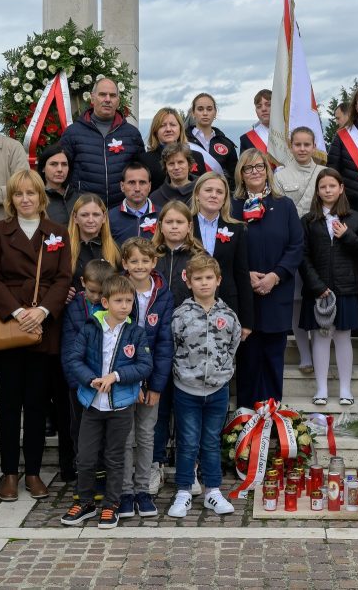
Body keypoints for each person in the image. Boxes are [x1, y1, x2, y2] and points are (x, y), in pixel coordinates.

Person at [0, 170, 74, 500]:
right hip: (10, 324)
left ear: (41, 197)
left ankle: (33, 472)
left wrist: (43, 311)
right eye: (19, 194)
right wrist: (19, 313)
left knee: (36, 403)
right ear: (11, 199)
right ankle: (10, 473)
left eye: (31, 193)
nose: (25, 199)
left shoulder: (57, 232)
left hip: (44, 327)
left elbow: (63, 277)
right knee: (10, 403)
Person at [60, 275, 153, 529]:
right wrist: (90, 379)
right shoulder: (90, 328)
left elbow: (145, 365)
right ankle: (85, 502)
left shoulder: (136, 333)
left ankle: (111, 504)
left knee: (114, 457)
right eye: (119, 301)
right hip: (92, 405)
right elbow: (74, 359)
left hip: (120, 407)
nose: (124, 306)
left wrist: (116, 376)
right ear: (105, 302)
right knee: (86, 457)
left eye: (129, 301)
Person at [167, 255, 242, 518]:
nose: (204, 283)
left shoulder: (228, 316)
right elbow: (172, 346)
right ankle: (184, 491)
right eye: (198, 278)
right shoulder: (180, 315)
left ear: (218, 280)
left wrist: (222, 372)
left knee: (211, 441)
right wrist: (183, 372)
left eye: (209, 277)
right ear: (188, 282)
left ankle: (213, 490)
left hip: (217, 390)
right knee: (187, 442)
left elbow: (233, 345)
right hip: (186, 389)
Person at [231, 149, 304, 408]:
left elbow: (296, 245)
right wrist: (245, 275)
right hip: (245, 295)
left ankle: (273, 418)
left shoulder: (284, 205)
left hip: (277, 293)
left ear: (267, 171)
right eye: (248, 168)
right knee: (248, 360)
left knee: (273, 359)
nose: (255, 172)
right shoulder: (231, 206)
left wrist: (275, 275)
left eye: (259, 167)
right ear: (241, 173)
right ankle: (245, 420)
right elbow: (227, 247)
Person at [299, 169, 358, 406]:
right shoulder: (308, 221)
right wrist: (317, 286)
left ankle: (345, 389)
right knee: (320, 337)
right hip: (318, 289)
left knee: (342, 337)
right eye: (323, 187)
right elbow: (302, 256)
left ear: (341, 188)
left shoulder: (355, 218)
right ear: (317, 191)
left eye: (332, 186)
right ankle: (321, 389)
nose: (327, 190)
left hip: (346, 288)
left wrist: (348, 236)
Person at [149, 201, 205, 493]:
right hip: (156, 343)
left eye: (179, 222)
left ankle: (189, 467)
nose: (174, 227)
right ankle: (155, 464)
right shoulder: (150, 257)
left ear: (189, 226)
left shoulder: (199, 257)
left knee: (187, 410)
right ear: (160, 226)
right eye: (168, 222)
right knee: (157, 408)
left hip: (189, 345)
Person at [116, 238, 173, 520]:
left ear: (154, 262)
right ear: (125, 263)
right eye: (134, 261)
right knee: (125, 435)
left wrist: (156, 385)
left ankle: (142, 490)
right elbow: (115, 340)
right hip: (124, 377)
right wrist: (133, 382)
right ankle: (125, 491)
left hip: (152, 378)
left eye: (145, 261)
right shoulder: (118, 290)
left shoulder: (163, 294)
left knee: (146, 434)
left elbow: (164, 343)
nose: (140, 266)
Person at [61, 259, 118, 500]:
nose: (95, 297)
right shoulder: (74, 307)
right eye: (92, 291)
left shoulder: (113, 307)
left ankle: (102, 477)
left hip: (106, 384)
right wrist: (79, 381)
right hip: (81, 384)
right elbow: (69, 350)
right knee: (81, 432)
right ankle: (84, 477)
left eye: (101, 293)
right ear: (83, 282)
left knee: (104, 433)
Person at [274, 126, 326, 372]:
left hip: (320, 246)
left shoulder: (325, 173)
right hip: (293, 246)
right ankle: (304, 354)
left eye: (307, 144)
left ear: (314, 146)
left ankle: (319, 351)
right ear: (290, 146)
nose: (302, 149)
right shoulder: (280, 176)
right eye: (298, 144)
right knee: (296, 301)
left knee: (319, 297)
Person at [59, 78, 146, 208]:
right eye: (102, 94)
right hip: (85, 210)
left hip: (122, 209)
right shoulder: (73, 133)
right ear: (92, 98)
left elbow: (141, 171)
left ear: (118, 101)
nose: (107, 99)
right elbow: (62, 170)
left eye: (112, 95)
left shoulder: (132, 134)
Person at [191, 172, 254, 334]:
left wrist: (246, 321)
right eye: (208, 190)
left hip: (227, 306)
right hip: (190, 307)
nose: (214, 195)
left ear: (225, 198)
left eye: (219, 192)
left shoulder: (237, 229)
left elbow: (242, 274)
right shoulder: (185, 225)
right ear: (197, 194)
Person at [68, 193, 121, 291]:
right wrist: (62, 290)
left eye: (96, 215)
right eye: (84, 215)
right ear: (75, 218)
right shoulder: (64, 250)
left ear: (104, 217)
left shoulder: (115, 250)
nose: (90, 220)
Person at [141, 108, 205, 185]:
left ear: (180, 129)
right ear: (155, 131)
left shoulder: (197, 157)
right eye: (162, 125)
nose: (168, 129)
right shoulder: (144, 161)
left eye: (173, 125)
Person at [186, 93, 238, 187]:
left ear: (215, 113)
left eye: (209, 109)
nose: (205, 113)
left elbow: (234, 178)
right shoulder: (183, 141)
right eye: (200, 109)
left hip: (219, 193)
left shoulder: (227, 144)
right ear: (193, 113)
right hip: (190, 193)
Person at [108, 162, 158, 244]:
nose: (137, 188)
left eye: (142, 182)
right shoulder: (110, 218)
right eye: (131, 182)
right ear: (122, 186)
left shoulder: (163, 216)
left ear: (149, 186)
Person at [37, 143, 77, 226]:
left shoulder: (78, 197)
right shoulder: (37, 198)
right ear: (43, 168)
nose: (60, 169)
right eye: (53, 164)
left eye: (64, 164)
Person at [149, 142, 197, 208]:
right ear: (166, 167)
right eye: (171, 164)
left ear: (189, 164)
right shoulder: (155, 197)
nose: (176, 167)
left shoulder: (202, 189)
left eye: (180, 162)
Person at [238, 89, 272, 156]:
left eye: (268, 105)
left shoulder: (289, 133)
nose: (263, 109)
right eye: (259, 106)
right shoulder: (246, 139)